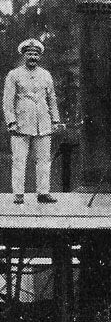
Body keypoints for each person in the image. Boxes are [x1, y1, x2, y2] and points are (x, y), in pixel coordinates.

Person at [3, 38, 62, 204]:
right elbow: (8, 101)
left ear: (39, 56)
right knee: (19, 159)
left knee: (44, 159)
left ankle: (43, 192)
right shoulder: (14, 75)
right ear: (24, 55)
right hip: (21, 123)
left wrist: (55, 120)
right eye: (29, 54)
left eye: (35, 54)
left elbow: (52, 99)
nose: (32, 57)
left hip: (43, 123)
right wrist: (11, 122)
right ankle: (18, 194)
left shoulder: (45, 75)